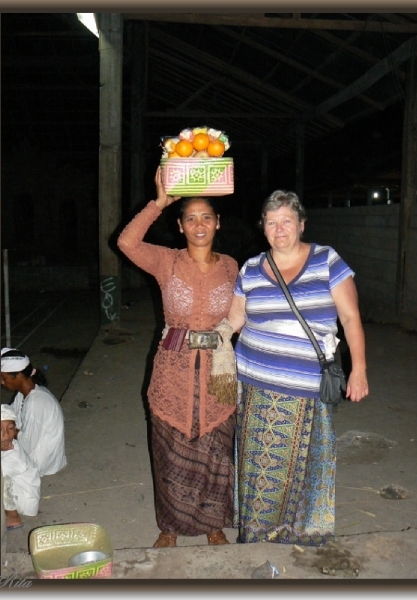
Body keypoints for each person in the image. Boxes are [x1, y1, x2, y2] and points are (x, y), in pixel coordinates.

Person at [227, 189, 369, 546]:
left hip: (305, 386)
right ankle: (258, 534)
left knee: (304, 466)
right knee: (259, 465)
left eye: (286, 221)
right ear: (263, 228)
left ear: (301, 224)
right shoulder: (251, 268)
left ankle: (300, 531)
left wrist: (359, 369)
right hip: (255, 385)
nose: (279, 229)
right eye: (271, 222)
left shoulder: (326, 261)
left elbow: (351, 318)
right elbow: (233, 321)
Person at [117, 167, 239, 548]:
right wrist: (157, 203)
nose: (199, 224)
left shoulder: (232, 267)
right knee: (170, 453)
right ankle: (169, 527)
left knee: (215, 452)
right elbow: (126, 242)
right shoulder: (166, 261)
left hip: (218, 371)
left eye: (206, 217)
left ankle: (213, 524)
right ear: (180, 226)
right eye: (191, 218)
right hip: (174, 369)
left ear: (218, 223)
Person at [1, 348, 67, 477]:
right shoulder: (25, 393)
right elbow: (10, 414)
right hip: (35, 450)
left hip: (40, 462)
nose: (1, 382)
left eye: (3, 377)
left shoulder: (36, 403)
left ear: (19, 375)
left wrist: (7, 433)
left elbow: (27, 444)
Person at [1, 404, 41, 531]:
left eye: (10, 428)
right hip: (18, 492)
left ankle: (12, 517)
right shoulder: (5, 445)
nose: (6, 434)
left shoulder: (13, 455)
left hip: (22, 501)